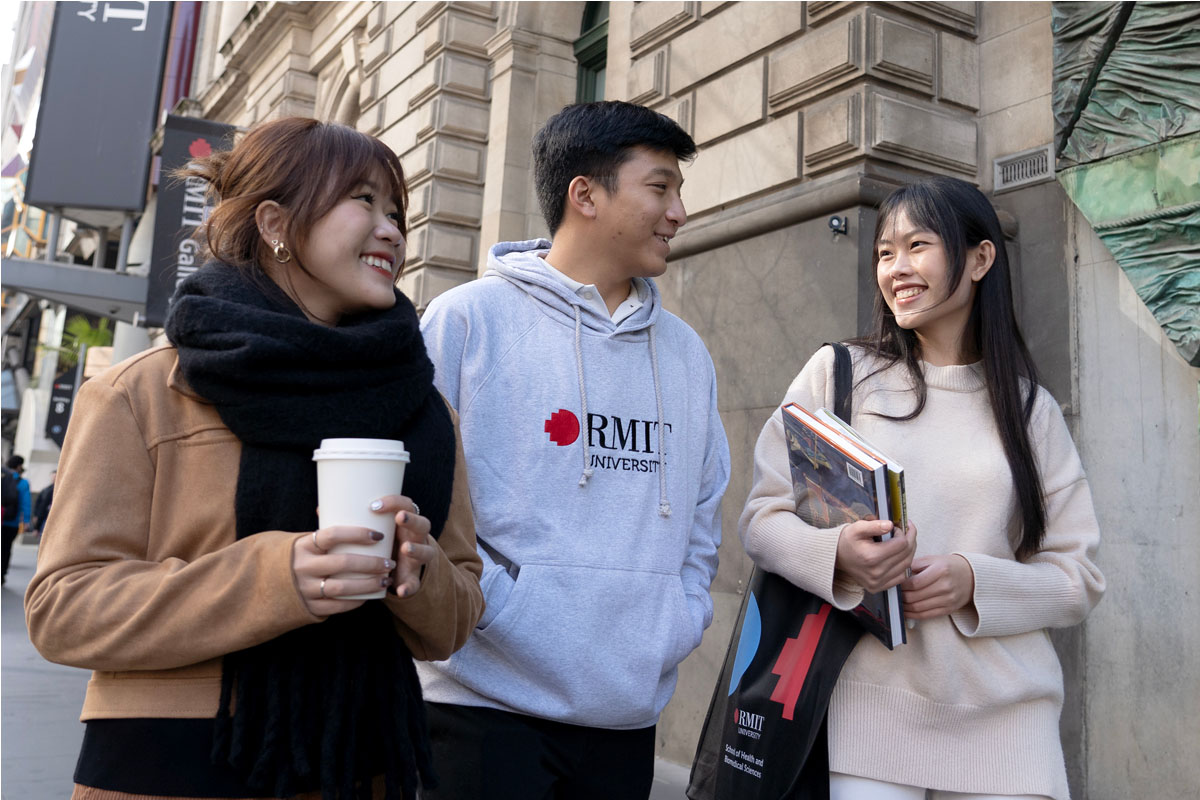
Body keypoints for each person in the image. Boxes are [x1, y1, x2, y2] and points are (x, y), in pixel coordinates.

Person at [25, 117, 485, 800]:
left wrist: (420, 574)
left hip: (357, 764)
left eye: (397, 211)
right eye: (363, 200)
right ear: (274, 221)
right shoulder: (144, 392)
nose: (391, 229)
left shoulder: (424, 411)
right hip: (172, 767)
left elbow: (456, 618)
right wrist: (276, 578)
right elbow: (63, 609)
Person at [741, 175, 1105, 800]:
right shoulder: (840, 377)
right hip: (869, 711)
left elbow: (1079, 579)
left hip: (1009, 718)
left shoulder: (1029, 408)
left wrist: (973, 581)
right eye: (885, 252)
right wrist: (840, 558)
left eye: (918, 246)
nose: (896, 269)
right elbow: (762, 518)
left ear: (981, 258)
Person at [416, 100, 731, 799]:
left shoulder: (685, 354)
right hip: (478, 708)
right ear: (584, 194)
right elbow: (423, 499)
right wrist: (501, 605)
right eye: (660, 187)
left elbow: (704, 514)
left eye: (679, 191)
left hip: (623, 719)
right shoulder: (467, 321)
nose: (678, 211)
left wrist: (677, 617)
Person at [2, 454, 32, 585]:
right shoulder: (23, 483)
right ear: (19, 466)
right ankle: (2, 574)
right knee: (6, 548)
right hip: (12, 522)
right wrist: (26, 521)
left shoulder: (2, 478)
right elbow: (26, 503)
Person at [32, 469, 55, 535]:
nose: (54, 478)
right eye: (53, 476)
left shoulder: (50, 490)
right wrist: (36, 515)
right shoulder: (46, 490)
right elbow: (39, 504)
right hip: (45, 517)